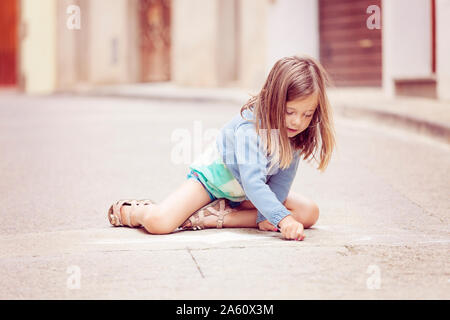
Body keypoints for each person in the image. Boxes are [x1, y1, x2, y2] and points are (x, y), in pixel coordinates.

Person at [108, 55, 336, 241]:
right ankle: (135, 210)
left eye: (307, 114)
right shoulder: (250, 129)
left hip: (245, 195)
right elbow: (253, 182)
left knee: (309, 212)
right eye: (289, 112)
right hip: (211, 183)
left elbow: (280, 184)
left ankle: (213, 217)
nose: (297, 122)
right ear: (274, 100)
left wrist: (270, 218)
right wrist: (282, 219)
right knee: (160, 223)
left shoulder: (294, 135)